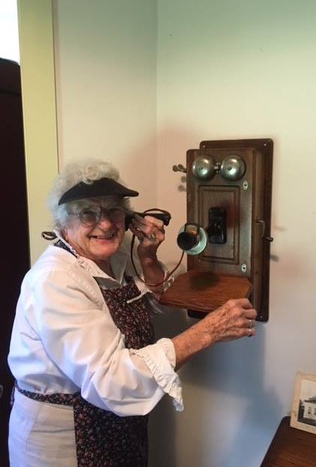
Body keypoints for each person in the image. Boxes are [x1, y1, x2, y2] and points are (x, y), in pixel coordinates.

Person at [7, 158, 257, 467]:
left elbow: (143, 307)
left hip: (115, 425)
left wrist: (147, 257)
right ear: (62, 224)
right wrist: (207, 332)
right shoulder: (55, 280)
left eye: (114, 210)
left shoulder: (115, 252)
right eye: (88, 213)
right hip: (65, 436)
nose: (107, 224)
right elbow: (111, 379)